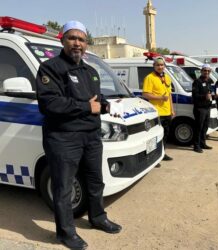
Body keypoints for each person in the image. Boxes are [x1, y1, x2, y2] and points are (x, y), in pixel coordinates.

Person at [36, 21, 121, 250]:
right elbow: (49, 103)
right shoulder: (50, 68)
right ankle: (65, 233)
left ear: (86, 44)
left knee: (95, 181)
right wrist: (87, 107)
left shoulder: (90, 71)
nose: (77, 43)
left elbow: (95, 99)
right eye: (72, 38)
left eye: (82, 39)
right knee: (63, 187)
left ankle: (98, 217)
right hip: (64, 137)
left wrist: (103, 105)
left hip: (91, 136)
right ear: (62, 40)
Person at [142, 57, 175, 161]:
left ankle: (162, 153)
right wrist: (160, 98)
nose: (160, 67)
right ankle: (154, 157)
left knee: (165, 135)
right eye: (158, 65)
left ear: (164, 66)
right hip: (156, 113)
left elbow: (169, 95)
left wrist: (172, 110)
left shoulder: (167, 77)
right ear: (154, 66)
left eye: (162, 65)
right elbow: (145, 94)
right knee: (156, 136)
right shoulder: (149, 78)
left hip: (167, 112)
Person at [191, 64, 213, 152]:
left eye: (208, 71)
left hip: (207, 108)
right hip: (200, 108)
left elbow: (210, 93)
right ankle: (196, 146)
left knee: (205, 127)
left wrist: (214, 96)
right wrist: (204, 97)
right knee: (198, 127)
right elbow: (195, 96)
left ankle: (202, 143)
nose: (206, 72)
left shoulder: (209, 81)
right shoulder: (197, 81)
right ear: (201, 71)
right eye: (205, 70)